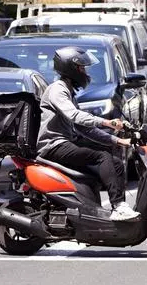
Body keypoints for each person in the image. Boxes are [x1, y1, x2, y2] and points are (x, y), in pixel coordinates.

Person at [36, 46, 140, 221]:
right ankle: (118, 207)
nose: (85, 73)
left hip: (64, 144)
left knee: (115, 163)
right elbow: (74, 116)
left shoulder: (69, 92)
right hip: (53, 145)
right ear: (70, 68)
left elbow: (84, 129)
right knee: (102, 156)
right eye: (82, 68)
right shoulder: (57, 90)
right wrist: (106, 122)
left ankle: (103, 209)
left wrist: (116, 140)